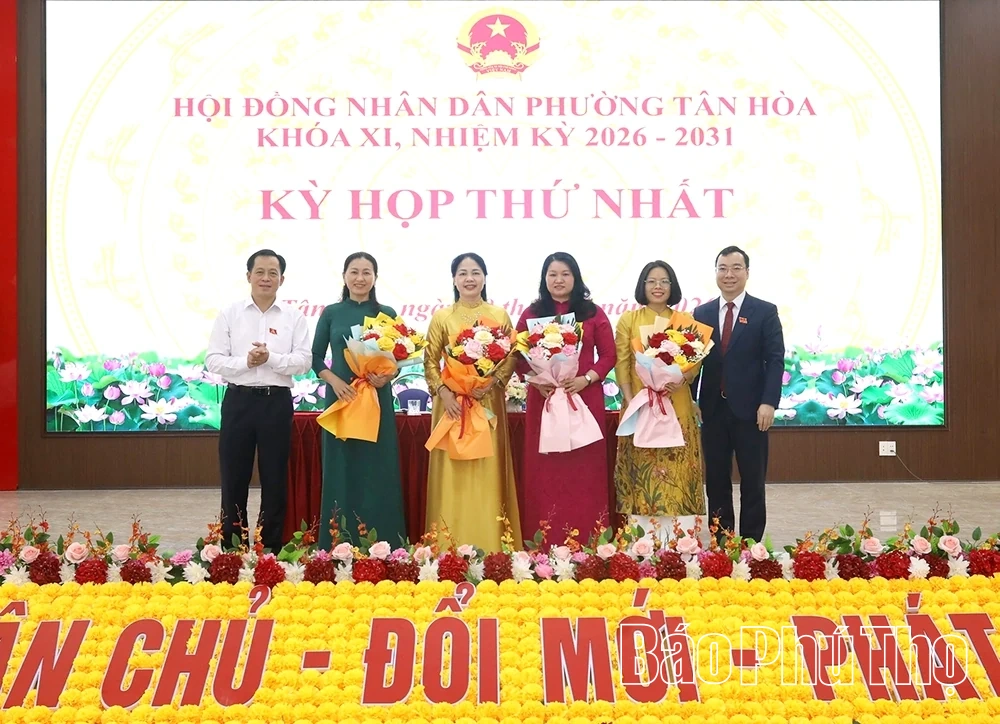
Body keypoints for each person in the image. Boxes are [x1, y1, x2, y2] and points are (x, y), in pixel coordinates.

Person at [206, 249, 311, 553]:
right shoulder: (230, 314)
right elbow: (213, 360)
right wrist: (246, 363)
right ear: (248, 276)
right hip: (238, 402)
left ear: (282, 279)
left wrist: (271, 358)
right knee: (234, 478)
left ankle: (271, 549)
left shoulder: (294, 317)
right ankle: (233, 548)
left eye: (272, 273)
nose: (266, 278)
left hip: (275, 404)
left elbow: (304, 361)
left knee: (275, 479)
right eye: (260, 272)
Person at [515, 252, 615, 545]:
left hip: (583, 399)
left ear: (576, 278)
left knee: (585, 473)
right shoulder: (531, 314)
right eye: (552, 274)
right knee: (545, 474)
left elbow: (609, 355)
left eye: (565, 274)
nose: (558, 280)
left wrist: (587, 378)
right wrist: (537, 381)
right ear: (544, 279)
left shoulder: (593, 313)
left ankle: (591, 543)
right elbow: (517, 357)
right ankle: (544, 542)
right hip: (544, 401)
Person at [424, 253, 521, 552]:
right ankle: (447, 547)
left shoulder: (499, 315)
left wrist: (492, 382)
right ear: (454, 280)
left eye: (475, 272)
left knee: (487, 472)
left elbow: (512, 356)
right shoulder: (442, 317)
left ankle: (492, 545)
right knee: (453, 474)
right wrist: (444, 393)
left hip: (487, 401)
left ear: (484, 278)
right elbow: (430, 361)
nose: (469, 278)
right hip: (452, 405)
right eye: (463, 273)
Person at [311, 252, 406, 549]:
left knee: (377, 469)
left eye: (367, 272)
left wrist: (387, 376)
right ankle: (338, 543)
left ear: (375, 278)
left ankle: (384, 544)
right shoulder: (331, 313)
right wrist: (334, 381)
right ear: (344, 276)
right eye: (354, 272)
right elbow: (315, 357)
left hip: (377, 399)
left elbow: (400, 356)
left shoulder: (387, 313)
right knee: (341, 468)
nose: (360, 278)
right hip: (342, 399)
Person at [693, 246, 784, 544]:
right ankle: (722, 542)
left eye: (736, 268)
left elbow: (775, 360)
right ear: (716, 272)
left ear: (747, 272)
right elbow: (693, 360)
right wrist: (692, 400)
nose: (729, 274)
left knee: (753, 482)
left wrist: (768, 402)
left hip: (752, 411)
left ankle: (750, 544)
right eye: (723, 268)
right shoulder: (702, 313)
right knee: (716, 481)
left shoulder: (765, 311)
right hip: (712, 411)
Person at [614, 260, 706, 539]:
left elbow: (695, 363)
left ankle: (683, 539)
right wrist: (630, 400)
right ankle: (642, 540)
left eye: (664, 281)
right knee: (643, 474)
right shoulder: (629, 320)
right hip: (641, 406)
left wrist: (682, 378)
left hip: (677, 405)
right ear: (643, 286)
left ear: (672, 286)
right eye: (652, 281)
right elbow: (622, 363)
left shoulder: (685, 321)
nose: (658, 286)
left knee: (678, 472)